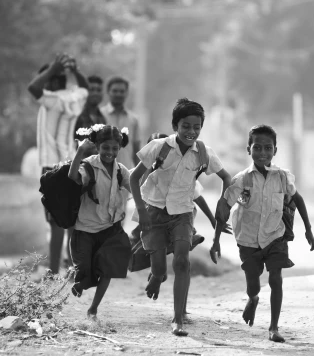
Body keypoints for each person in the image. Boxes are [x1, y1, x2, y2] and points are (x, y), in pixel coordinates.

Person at [130, 98, 232, 337]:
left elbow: (227, 177)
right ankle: (156, 275)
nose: (191, 132)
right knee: (158, 266)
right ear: (175, 125)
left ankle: (178, 319)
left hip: (183, 214)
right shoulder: (159, 147)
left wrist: (221, 204)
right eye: (186, 126)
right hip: (154, 212)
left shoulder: (204, 153)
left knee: (182, 262)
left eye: (197, 127)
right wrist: (141, 210)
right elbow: (134, 179)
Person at [209, 125, 314, 343]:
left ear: (275, 150)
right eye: (257, 148)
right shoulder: (241, 180)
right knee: (253, 282)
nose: (262, 153)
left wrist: (308, 229)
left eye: (268, 148)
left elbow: (298, 200)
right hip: (248, 239)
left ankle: (274, 327)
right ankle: (253, 298)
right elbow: (223, 208)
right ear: (249, 149)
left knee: (276, 279)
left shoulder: (283, 178)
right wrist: (216, 241)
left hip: (275, 236)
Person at [26, 53, 89, 274]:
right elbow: (85, 87)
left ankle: (54, 272)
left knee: (55, 222)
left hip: (51, 167)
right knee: (71, 219)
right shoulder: (75, 99)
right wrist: (74, 70)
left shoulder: (52, 100)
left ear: (52, 81)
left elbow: (33, 88)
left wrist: (53, 68)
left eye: (45, 77)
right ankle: (74, 268)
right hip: (71, 163)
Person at [68, 125, 133, 321]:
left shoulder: (121, 172)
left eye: (114, 148)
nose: (110, 153)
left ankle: (93, 308)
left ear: (119, 148)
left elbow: (137, 190)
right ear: (97, 146)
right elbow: (73, 177)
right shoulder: (88, 166)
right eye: (105, 147)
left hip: (111, 229)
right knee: (85, 272)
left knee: (108, 269)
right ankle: (82, 281)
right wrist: (80, 150)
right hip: (85, 230)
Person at [101, 77, 140, 170]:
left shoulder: (133, 119)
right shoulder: (100, 115)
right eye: (115, 91)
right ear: (108, 92)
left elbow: (136, 150)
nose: (118, 94)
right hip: (102, 172)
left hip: (126, 172)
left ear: (127, 93)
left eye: (122, 91)